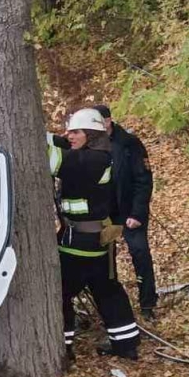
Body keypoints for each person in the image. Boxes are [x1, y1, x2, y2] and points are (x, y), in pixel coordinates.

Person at [48, 108, 140, 361]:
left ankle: (63, 347)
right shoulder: (100, 155)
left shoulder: (92, 160)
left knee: (61, 292)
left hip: (79, 243)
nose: (69, 136)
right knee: (107, 289)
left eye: (76, 132)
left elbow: (54, 160)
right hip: (96, 241)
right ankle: (126, 343)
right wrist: (50, 136)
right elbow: (63, 146)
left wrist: (37, 138)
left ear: (90, 134)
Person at [92, 104, 157, 318]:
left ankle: (148, 304)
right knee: (105, 260)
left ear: (109, 121)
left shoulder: (129, 143)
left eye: (99, 122)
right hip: (105, 213)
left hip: (129, 211)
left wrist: (137, 213)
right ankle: (113, 307)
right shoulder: (92, 145)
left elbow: (143, 180)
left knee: (140, 253)